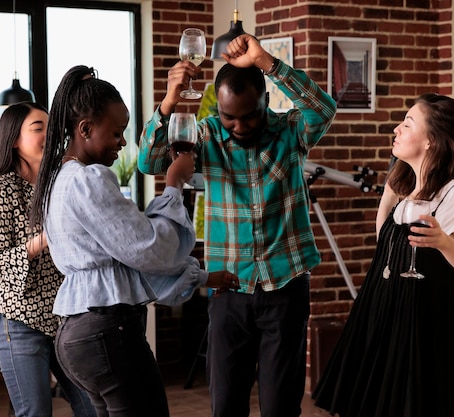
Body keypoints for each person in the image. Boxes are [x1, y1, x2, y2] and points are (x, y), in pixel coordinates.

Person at [138, 34, 336, 417]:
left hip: (286, 286)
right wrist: (168, 102)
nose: (239, 125)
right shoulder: (206, 134)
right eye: (230, 116)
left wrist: (268, 63)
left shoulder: (290, 132)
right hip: (228, 290)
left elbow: (322, 109)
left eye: (249, 115)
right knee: (226, 406)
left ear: (266, 102)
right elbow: (150, 161)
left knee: (281, 407)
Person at [29, 65, 239, 417]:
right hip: (107, 332)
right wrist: (173, 185)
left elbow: (126, 257)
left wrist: (201, 277)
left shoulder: (57, 179)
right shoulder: (90, 180)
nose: (123, 142)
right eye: (116, 133)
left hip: (76, 333)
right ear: (85, 129)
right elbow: (151, 249)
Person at [311, 93, 454, 417]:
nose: (396, 129)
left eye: (408, 123)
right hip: (386, 319)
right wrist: (389, 195)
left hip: (425, 332)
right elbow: (387, 251)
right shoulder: (410, 191)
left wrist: (445, 243)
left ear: (430, 141)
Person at [0, 102, 96, 417]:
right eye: (37, 127)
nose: (48, 133)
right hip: (19, 321)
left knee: (94, 408)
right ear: (14, 139)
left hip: (65, 318)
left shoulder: (58, 184)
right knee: (36, 412)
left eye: (49, 126)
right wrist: (42, 240)